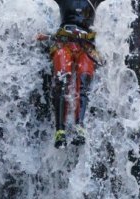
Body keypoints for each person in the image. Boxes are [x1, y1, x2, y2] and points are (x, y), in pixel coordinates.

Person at [37, 0, 106, 148]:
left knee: (83, 85)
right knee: (62, 82)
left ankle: (79, 127)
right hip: (64, 44)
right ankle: (60, 131)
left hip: (86, 47)